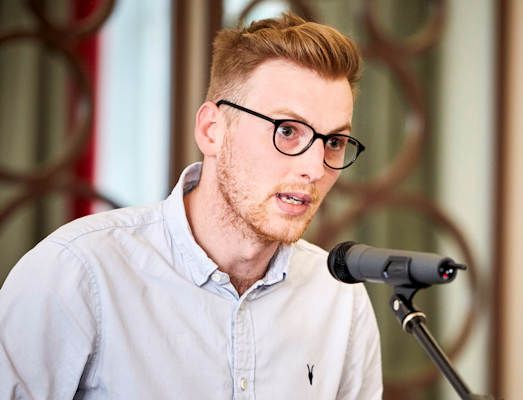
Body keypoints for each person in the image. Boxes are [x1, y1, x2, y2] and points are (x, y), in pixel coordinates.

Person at [0, 13, 382, 399]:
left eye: (334, 142)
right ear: (212, 130)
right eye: (287, 131)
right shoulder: (78, 272)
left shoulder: (339, 296)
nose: (315, 168)